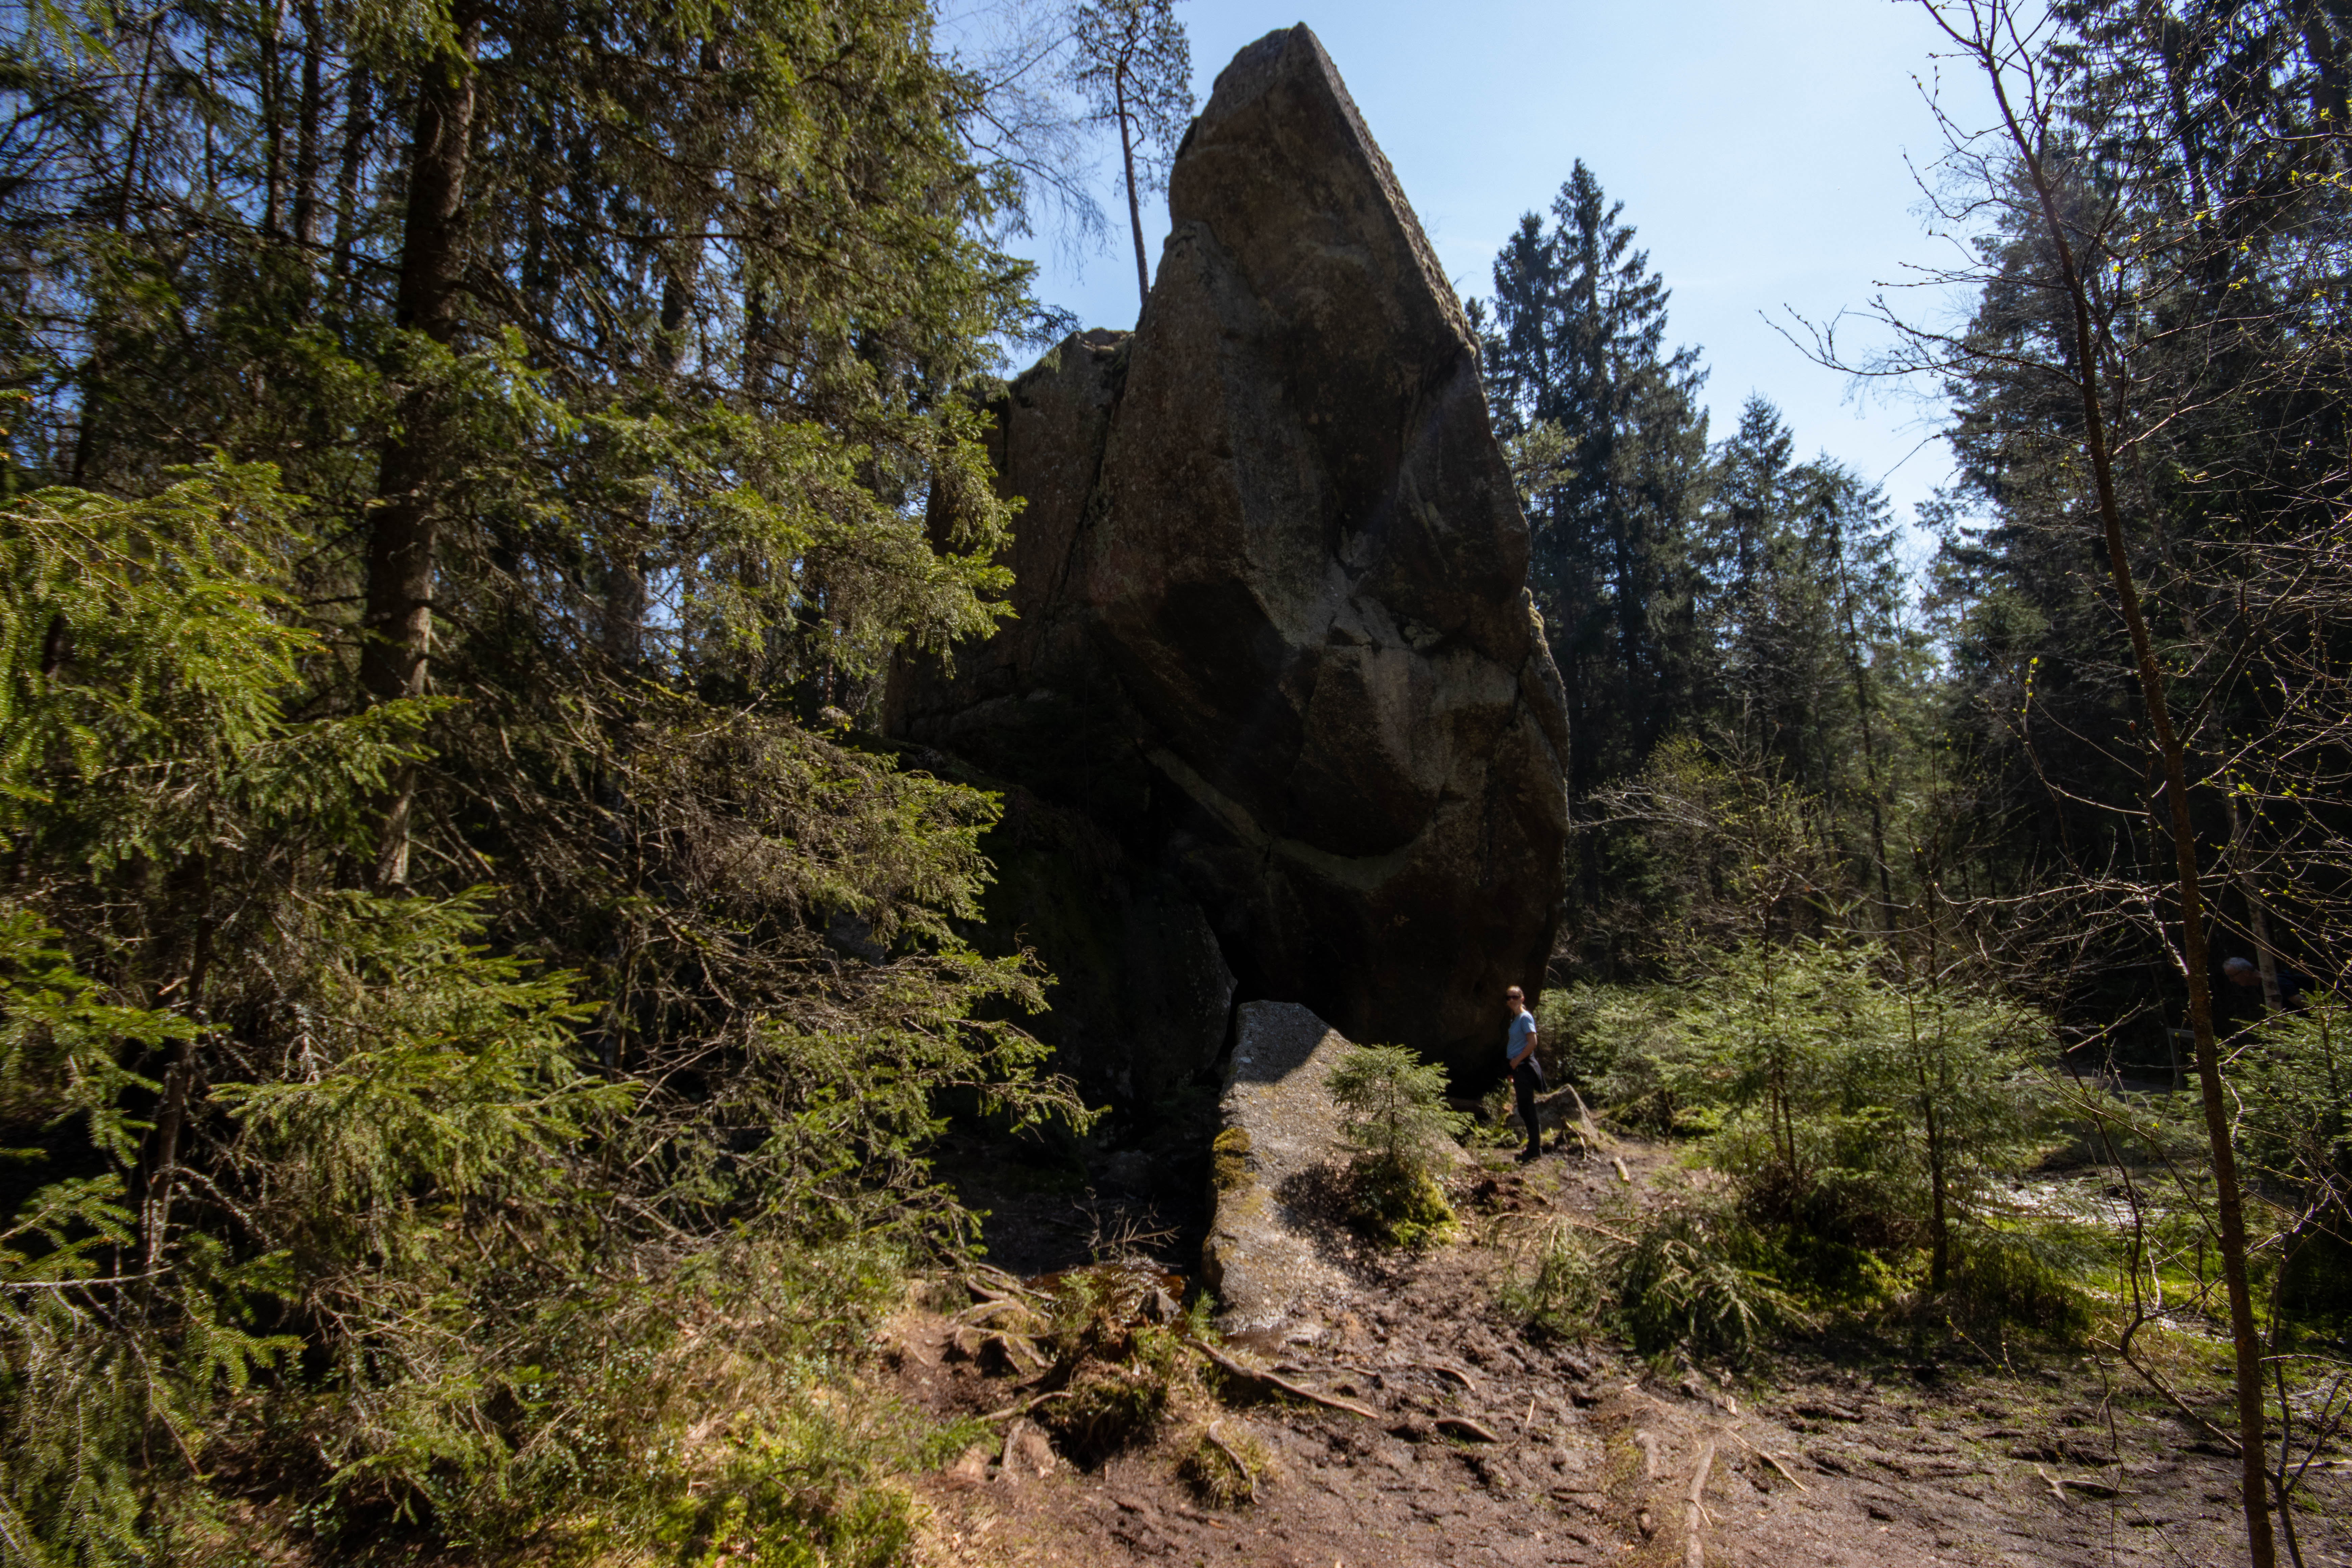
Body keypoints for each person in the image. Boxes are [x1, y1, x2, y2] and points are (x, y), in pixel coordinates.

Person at [1505, 985, 1543, 1160]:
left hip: (1525, 1066)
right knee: (1525, 1109)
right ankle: (1533, 1149)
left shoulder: (1525, 1017)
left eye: (1515, 997)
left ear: (1522, 998)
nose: (1512, 1000)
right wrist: (1512, 1068)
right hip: (1518, 1067)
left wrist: (1517, 1061)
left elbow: (1532, 1043)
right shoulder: (1516, 1019)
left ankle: (1535, 1151)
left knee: (1528, 1109)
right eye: (1509, 998)